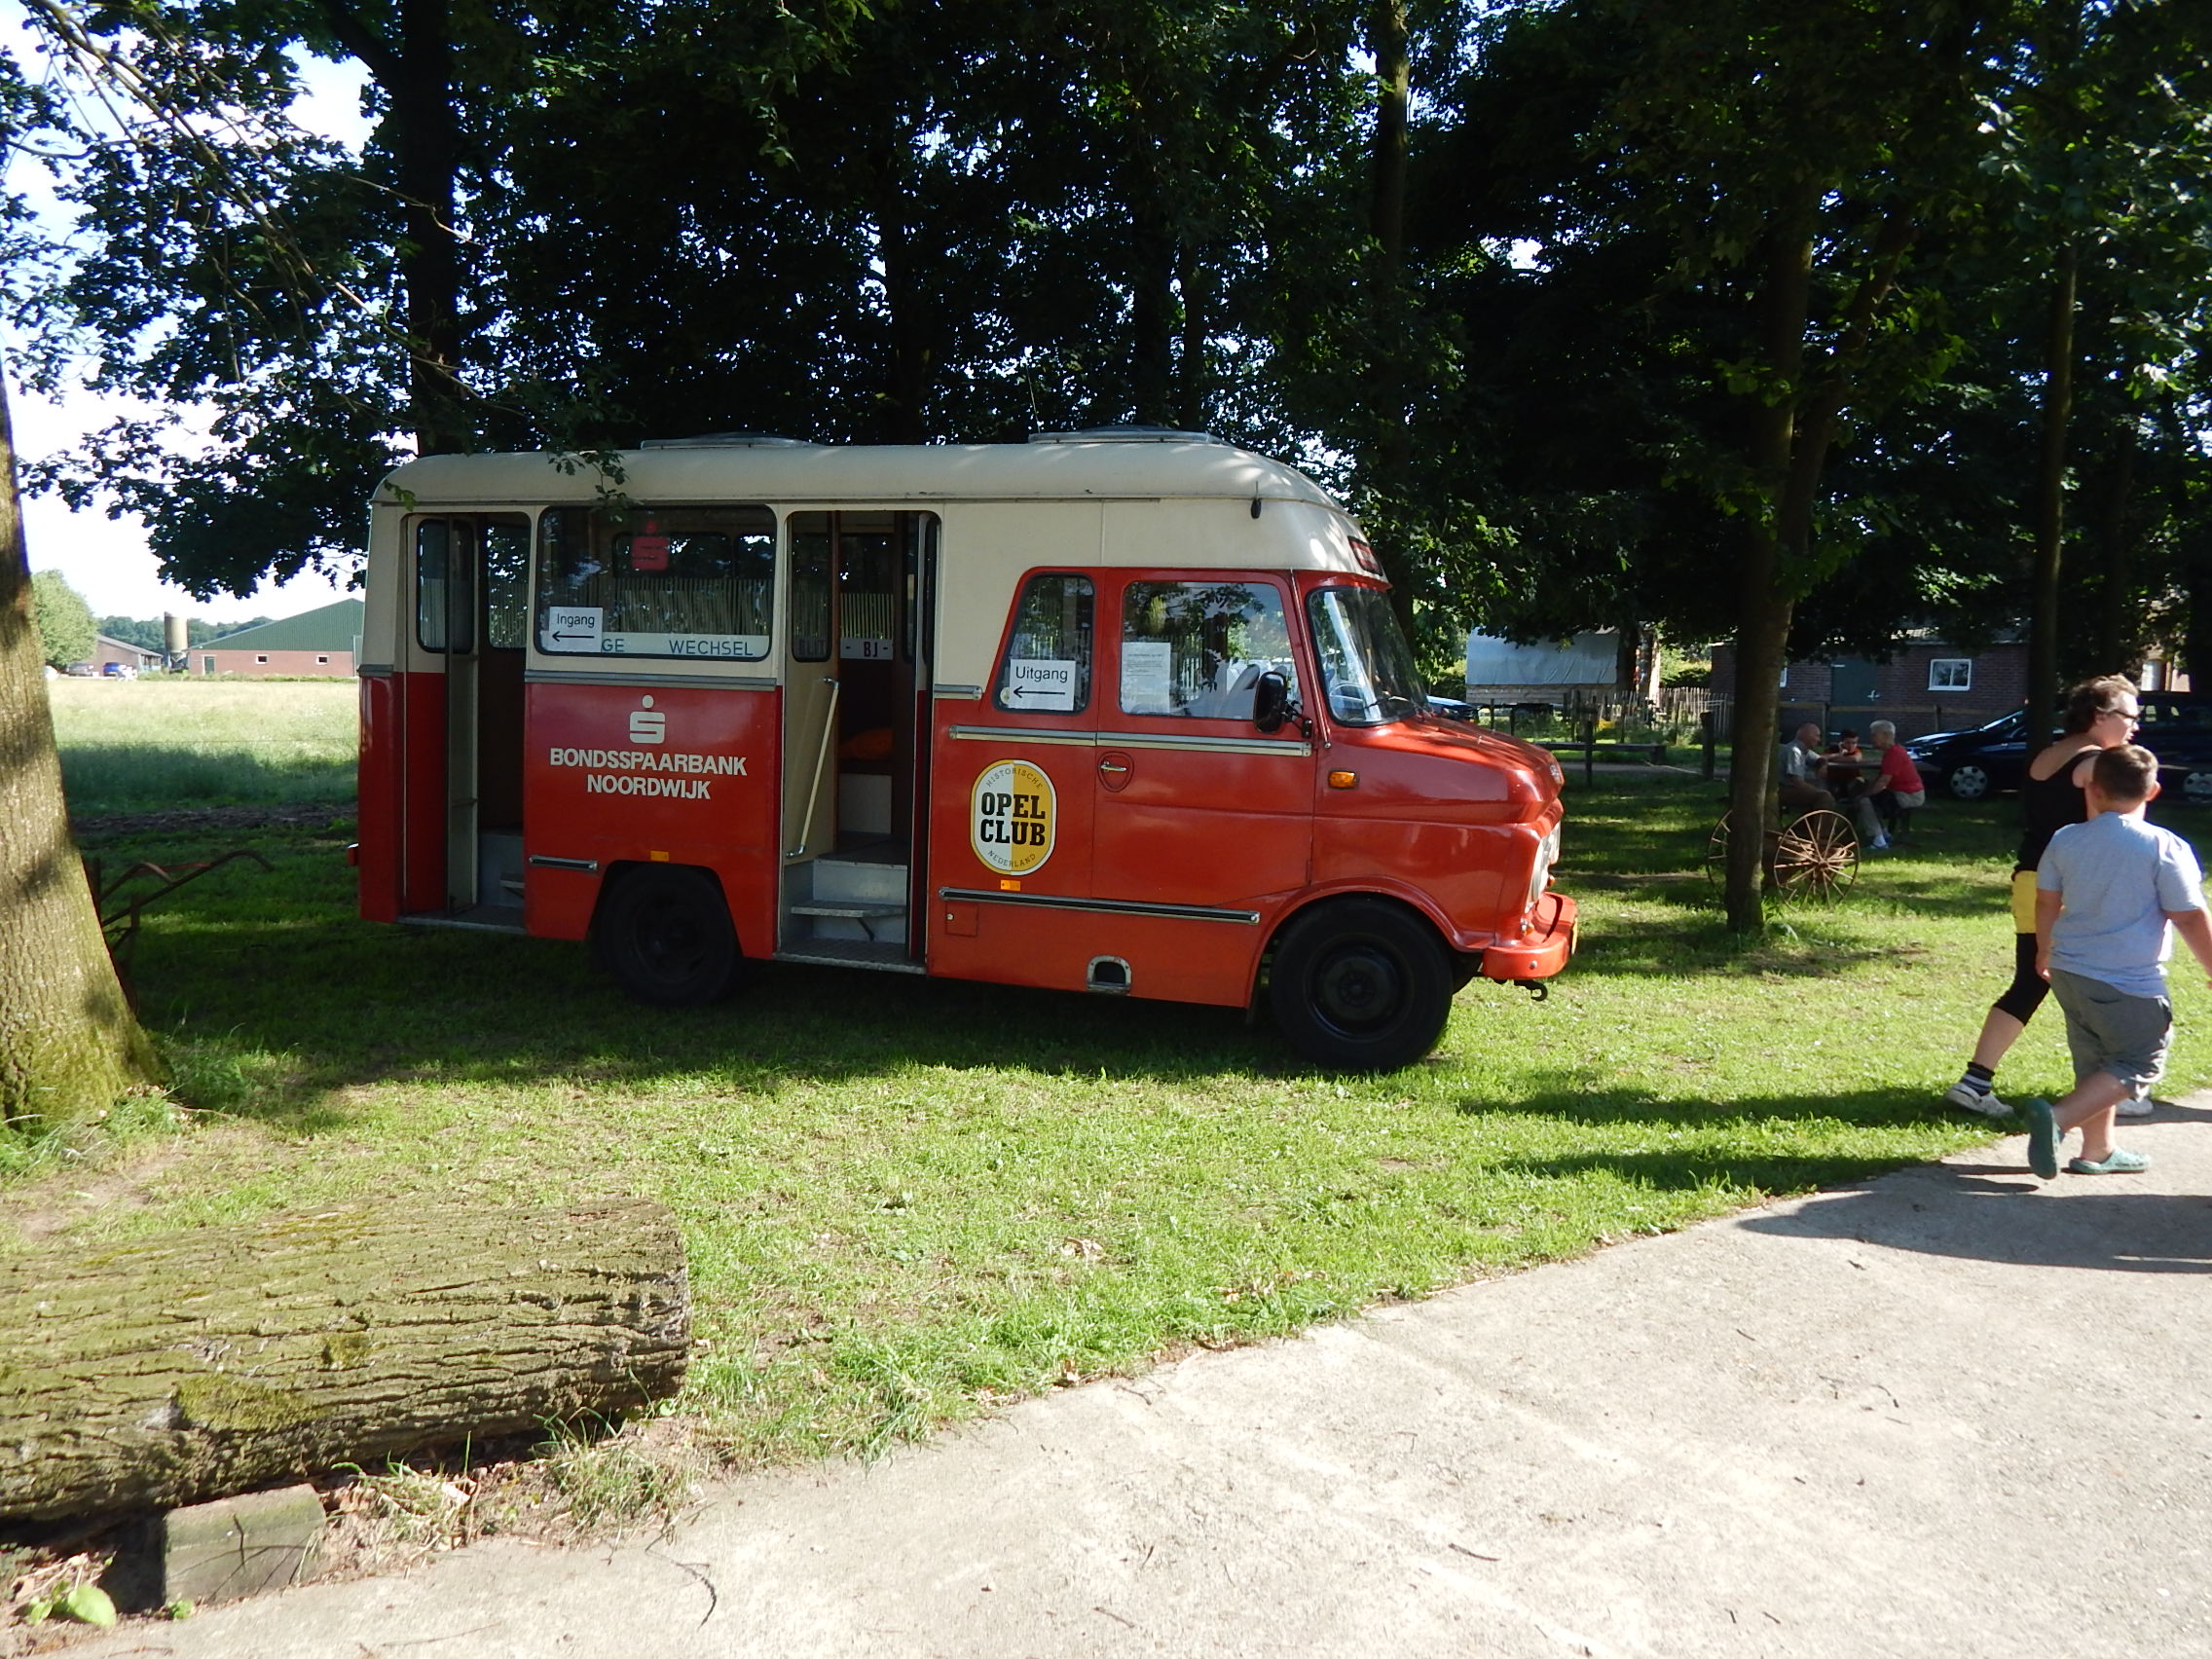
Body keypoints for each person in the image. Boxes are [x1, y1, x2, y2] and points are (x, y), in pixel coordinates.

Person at [1944, 676, 2140, 1118]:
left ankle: (1975, 1083)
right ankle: (2114, 1088)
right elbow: (2104, 834)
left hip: (2031, 879)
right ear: (2100, 716)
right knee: (2099, 984)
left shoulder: (2049, 754)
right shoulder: (2097, 764)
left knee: (2032, 981)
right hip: (2069, 886)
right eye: (2129, 716)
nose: (2135, 725)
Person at [2018, 744, 2212, 1177]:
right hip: (2128, 979)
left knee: (2096, 1062)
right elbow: (2188, 915)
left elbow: (2046, 901)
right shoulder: (2162, 846)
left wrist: (2045, 948)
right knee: (2141, 1060)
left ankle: (2099, 1150)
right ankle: (2058, 1119)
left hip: (2069, 971)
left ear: (2092, 788)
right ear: (2153, 791)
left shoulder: (2066, 839)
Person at [1863, 719, 1925, 845]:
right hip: (1901, 792)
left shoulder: (1895, 753)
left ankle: (1878, 840)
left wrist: (1865, 795)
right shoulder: (1892, 752)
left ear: (1886, 735)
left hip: (1909, 795)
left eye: (1874, 735)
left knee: (1864, 802)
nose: (1872, 738)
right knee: (1867, 798)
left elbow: (1883, 781)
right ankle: (1884, 834)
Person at [1778, 722, 1836, 819]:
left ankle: (1806, 826)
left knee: (1822, 795)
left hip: (1792, 788)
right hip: (1785, 790)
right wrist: (1818, 791)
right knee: (1825, 797)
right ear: (1807, 735)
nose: (1819, 740)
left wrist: (1823, 766)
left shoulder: (1804, 750)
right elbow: (1797, 782)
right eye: (1817, 736)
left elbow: (1820, 758)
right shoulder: (1794, 751)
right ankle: (1821, 829)